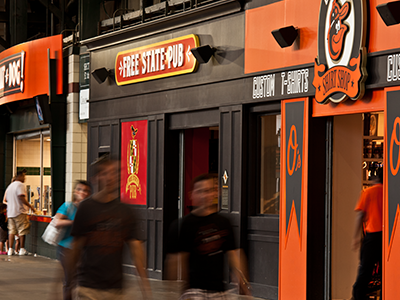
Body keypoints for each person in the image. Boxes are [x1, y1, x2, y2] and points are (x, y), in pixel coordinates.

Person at [70, 156, 151, 300]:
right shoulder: (86, 208)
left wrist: (145, 287)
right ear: (96, 177)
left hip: (115, 288)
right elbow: (76, 248)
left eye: (115, 172)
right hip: (88, 287)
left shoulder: (126, 211)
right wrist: (66, 283)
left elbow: (136, 250)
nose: (111, 177)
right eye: (105, 173)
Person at [178, 173, 251, 300]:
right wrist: (183, 287)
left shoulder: (223, 222)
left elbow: (233, 254)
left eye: (208, 191)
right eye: (200, 191)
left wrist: (241, 280)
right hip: (195, 289)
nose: (205, 195)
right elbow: (182, 258)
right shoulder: (187, 223)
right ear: (192, 195)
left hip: (218, 290)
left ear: (215, 193)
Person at [53, 180, 92, 300]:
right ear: (75, 192)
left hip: (84, 249)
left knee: (83, 280)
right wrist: (74, 222)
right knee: (69, 281)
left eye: (86, 191)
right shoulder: (68, 206)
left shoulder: (89, 209)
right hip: (67, 248)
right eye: (80, 190)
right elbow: (57, 222)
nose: (83, 193)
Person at [352, 169, 383, 300]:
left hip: (372, 236)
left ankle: (358, 296)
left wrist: (356, 237)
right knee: (384, 272)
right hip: (386, 237)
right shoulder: (389, 192)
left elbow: (360, 216)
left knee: (365, 269)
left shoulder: (368, 192)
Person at [4, 169, 36, 256]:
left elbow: (6, 199)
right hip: (19, 211)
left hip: (10, 212)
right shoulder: (20, 185)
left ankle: (10, 249)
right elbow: (21, 197)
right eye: (24, 176)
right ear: (20, 176)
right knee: (22, 231)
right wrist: (31, 207)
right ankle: (22, 249)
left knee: (11, 231)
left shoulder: (10, 186)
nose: (25, 179)